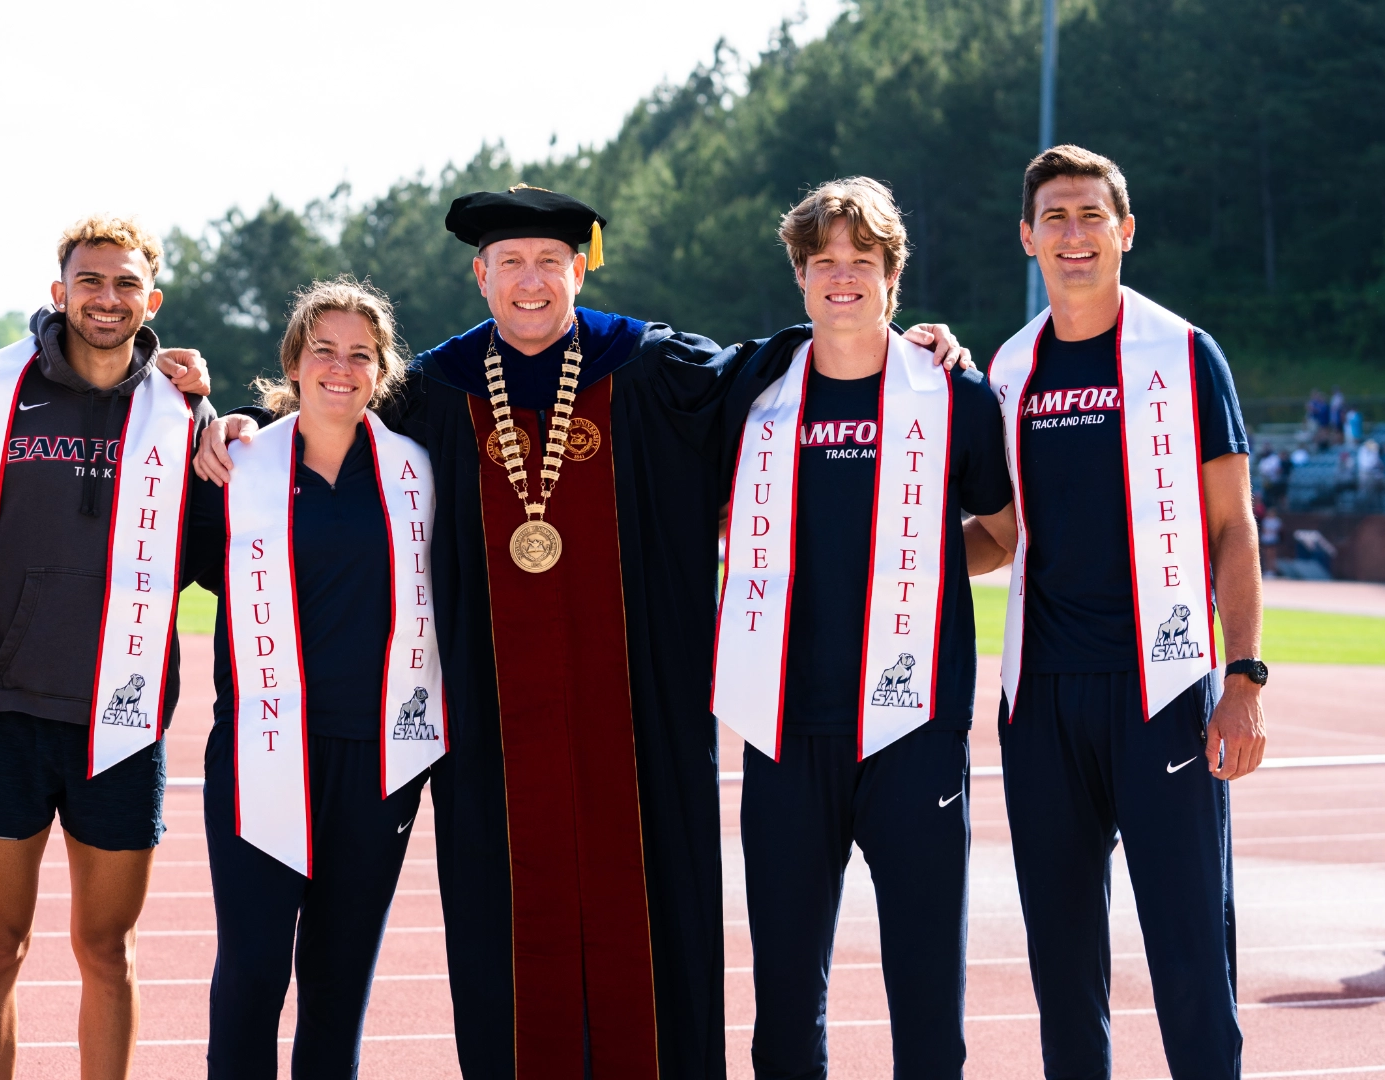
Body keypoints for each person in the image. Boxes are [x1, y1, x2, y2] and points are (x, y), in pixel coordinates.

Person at [195, 187, 968, 1079]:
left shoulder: (645, 367)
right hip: (492, 727)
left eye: (550, 263)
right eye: (511, 263)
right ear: (480, 273)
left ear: (580, 268)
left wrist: (893, 345)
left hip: (634, 717)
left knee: (647, 911)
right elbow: (328, 415)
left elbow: (771, 371)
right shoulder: (435, 393)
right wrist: (232, 424)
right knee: (502, 918)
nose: (532, 282)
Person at [709, 178, 1017, 1079]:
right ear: (800, 277)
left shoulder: (953, 394)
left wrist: (904, 559)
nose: (842, 277)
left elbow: (998, 536)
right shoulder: (751, 387)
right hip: (783, 730)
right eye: (824, 261)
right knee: (784, 1001)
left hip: (911, 728)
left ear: (893, 277)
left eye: (863, 261)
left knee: (927, 991)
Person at [0, 215, 210, 1080]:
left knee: (108, 950)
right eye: (89, 280)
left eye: (124, 284)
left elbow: (234, 540)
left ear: (151, 298)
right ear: (58, 289)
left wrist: (237, 424)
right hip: (5, 708)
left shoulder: (185, 411)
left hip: (123, 713)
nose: (105, 299)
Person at [987, 145, 1267, 1080]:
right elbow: (999, 538)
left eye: (1091, 216)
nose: (1074, 235)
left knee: (1190, 959)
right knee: (1063, 975)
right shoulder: (1009, 368)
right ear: (1028, 237)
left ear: (1126, 231)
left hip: (1163, 693)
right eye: (1054, 219)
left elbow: (1232, 528)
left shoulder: (1186, 354)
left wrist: (1245, 678)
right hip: (1043, 703)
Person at [184, 279, 444, 1077]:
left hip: (378, 765)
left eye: (360, 354)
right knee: (253, 976)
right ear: (293, 363)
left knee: (337, 983)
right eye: (322, 350)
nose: (341, 367)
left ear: (382, 370)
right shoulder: (234, 464)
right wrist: (180, 394)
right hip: (261, 752)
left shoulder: (420, 471)